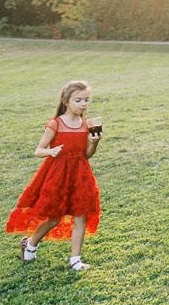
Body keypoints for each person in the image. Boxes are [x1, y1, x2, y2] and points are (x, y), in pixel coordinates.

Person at [7, 80, 103, 271]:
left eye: (86, 100)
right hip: (57, 175)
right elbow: (38, 150)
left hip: (80, 175)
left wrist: (95, 142)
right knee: (54, 218)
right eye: (78, 100)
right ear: (66, 101)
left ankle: (75, 259)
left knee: (80, 216)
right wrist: (51, 152)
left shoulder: (87, 124)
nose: (83, 104)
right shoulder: (56, 124)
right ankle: (30, 243)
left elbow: (86, 155)